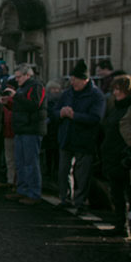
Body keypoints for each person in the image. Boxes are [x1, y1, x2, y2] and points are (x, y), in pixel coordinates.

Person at [53, 60, 105, 214]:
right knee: (63, 170)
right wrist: (61, 113)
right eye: (72, 79)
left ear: (85, 79)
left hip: (84, 139)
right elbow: (54, 112)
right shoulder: (67, 93)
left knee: (82, 173)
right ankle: (65, 198)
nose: (73, 82)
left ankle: (80, 202)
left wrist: (75, 115)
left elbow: (96, 118)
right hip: (66, 137)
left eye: (76, 79)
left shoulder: (96, 96)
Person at [6, 63, 47, 205]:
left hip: (31, 130)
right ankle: (22, 190)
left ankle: (33, 192)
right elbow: (21, 106)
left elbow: (34, 104)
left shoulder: (36, 86)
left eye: (19, 77)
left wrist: (16, 96)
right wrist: (8, 103)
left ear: (27, 75)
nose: (16, 80)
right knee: (21, 162)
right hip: (22, 129)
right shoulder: (24, 87)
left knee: (31, 163)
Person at [100, 75, 131, 236]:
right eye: (114, 89)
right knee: (117, 194)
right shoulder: (116, 107)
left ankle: (125, 226)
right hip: (112, 156)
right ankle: (121, 224)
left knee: (127, 194)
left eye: (118, 89)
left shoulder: (127, 108)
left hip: (125, 158)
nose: (115, 92)